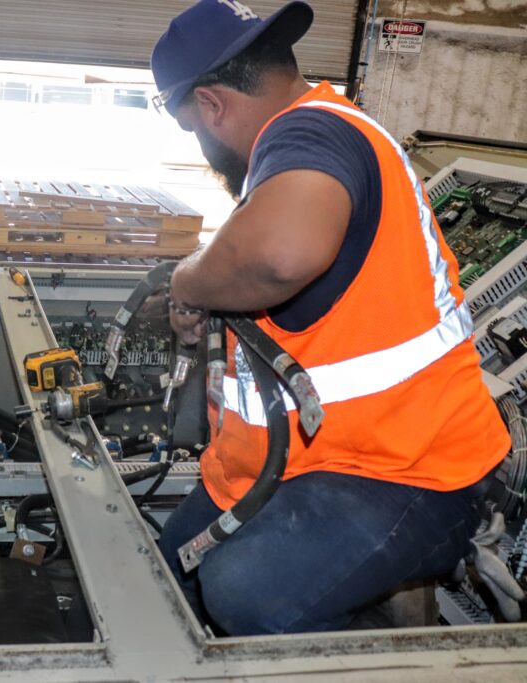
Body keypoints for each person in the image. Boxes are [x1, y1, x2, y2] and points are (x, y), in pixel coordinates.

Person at [148, 0, 511, 635]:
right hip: (311, 456)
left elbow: (282, 256)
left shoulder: (308, 132)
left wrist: (189, 281)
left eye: (192, 130)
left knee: (243, 594)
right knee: (165, 573)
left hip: (411, 468)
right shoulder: (297, 153)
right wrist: (211, 318)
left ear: (209, 106)